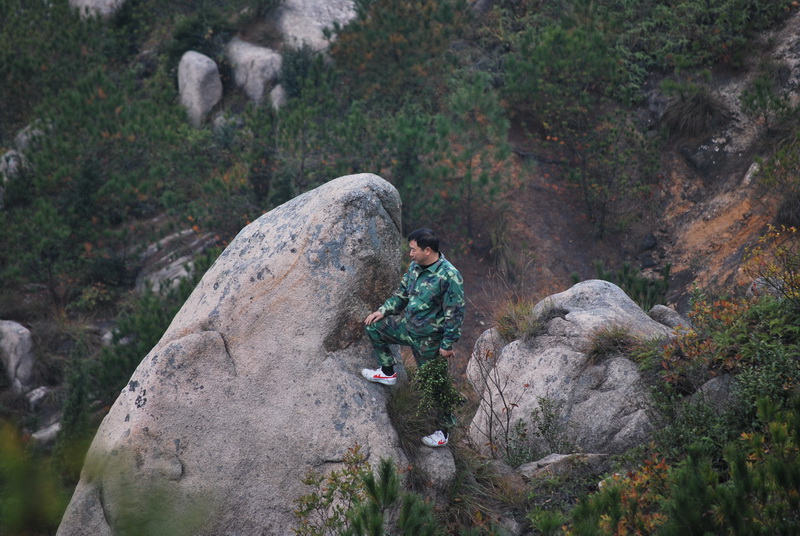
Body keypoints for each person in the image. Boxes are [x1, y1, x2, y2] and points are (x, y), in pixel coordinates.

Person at [362, 228, 465, 447]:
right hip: (408, 329)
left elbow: (455, 313)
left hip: (430, 341)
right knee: (374, 326)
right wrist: (385, 310)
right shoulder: (415, 268)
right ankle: (388, 372)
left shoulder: (449, 275)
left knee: (435, 385)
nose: (409, 253)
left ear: (427, 250)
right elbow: (401, 294)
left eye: (413, 249)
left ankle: (443, 432)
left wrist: (447, 344)